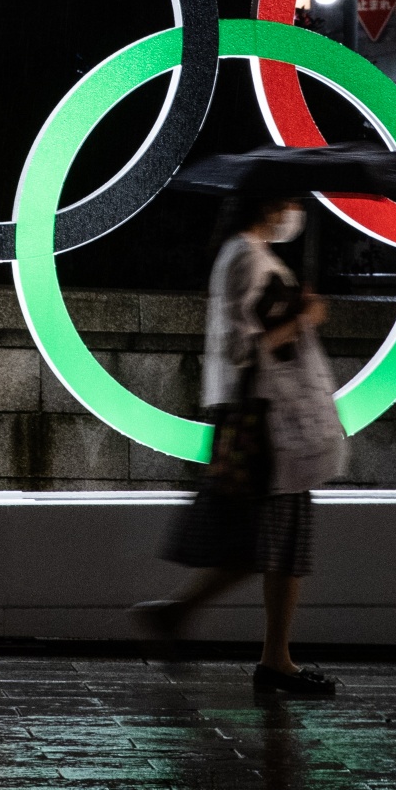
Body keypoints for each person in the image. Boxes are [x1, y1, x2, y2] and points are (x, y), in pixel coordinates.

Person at [133, 192, 348, 696]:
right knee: (268, 544)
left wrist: (293, 309)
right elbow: (242, 346)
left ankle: (272, 656)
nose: (294, 210)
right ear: (267, 202)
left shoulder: (246, 254)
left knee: (279, 544)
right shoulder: (248, 257)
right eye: (289, 198)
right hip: (269, 425)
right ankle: (186, 618)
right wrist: (304, 318)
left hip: (276, 421)